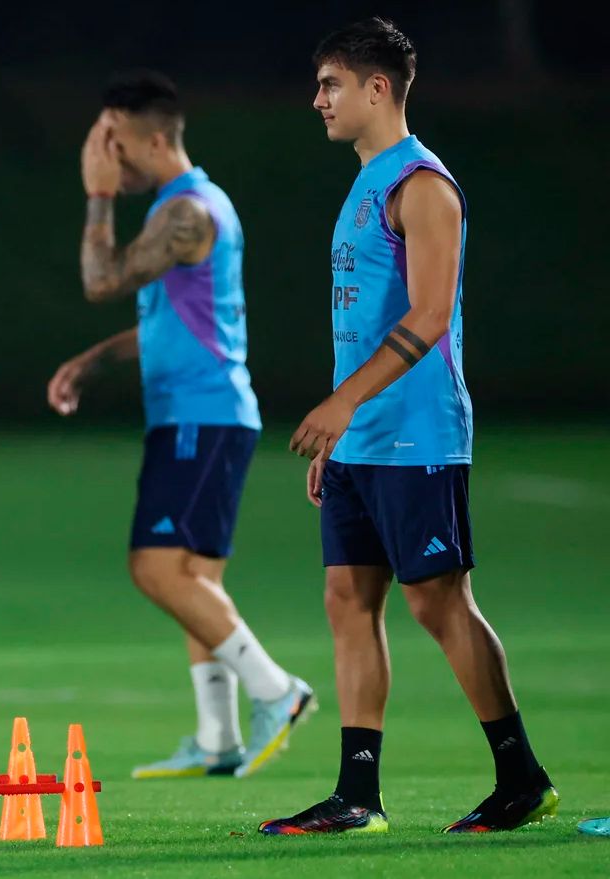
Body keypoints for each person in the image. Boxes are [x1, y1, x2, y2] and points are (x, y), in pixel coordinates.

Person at [260, 18, 557, 834]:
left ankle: (521, 776)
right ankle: (358, 795)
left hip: (419, 433)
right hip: (362, 437)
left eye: (331, 84)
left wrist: (342, 403)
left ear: (377, 88)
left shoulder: (423, 186)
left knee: (438, 601)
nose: (318, 99)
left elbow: (429, 316)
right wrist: (341, 428)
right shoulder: (367, 182)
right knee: (347, 597)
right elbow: (365, 321)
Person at [48, 71, 313, 780]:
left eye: (113, 141)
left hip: (203, 416)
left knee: (157, 568)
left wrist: (98, 193)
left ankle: (277, 691)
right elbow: (175, 323)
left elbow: (101, 281)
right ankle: (218, 736)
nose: (105, 153)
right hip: (201, 414)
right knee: (197, 581)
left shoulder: (188, 212)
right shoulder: (182, 208)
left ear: (156, 140)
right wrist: (94, 360)